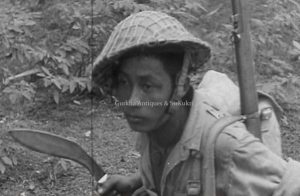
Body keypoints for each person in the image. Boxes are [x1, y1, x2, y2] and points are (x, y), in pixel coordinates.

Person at [92, 11, 300, 196]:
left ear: (179, 86)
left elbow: (293, 184)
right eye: (124, 82)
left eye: (148, 86)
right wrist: (136, 180)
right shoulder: (154, 120)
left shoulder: (228, 146)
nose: (131, 101)